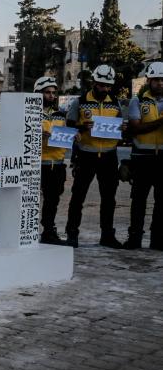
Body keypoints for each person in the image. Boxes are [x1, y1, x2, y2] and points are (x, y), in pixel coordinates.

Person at [65, 64, 125, 249]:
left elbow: (121, 125)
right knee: (78, 196)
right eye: (101, 85)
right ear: (94, 83)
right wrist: (82, 128)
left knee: (109, 198)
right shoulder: (80, 102)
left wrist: (123, 128)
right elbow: (68, 127)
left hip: (109, 156)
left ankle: (107, 235)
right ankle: (72, 234)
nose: (104, 88)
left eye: (108, 86)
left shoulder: (115, 102)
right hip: (86, 155)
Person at [124, 62, 163, 250]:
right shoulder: (137, 100)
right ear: (149, 81)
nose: (160, 83)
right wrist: (160, 122)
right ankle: (134, 238)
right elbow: (136, 128)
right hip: (142, 158)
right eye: (156, 80)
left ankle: (158, 240)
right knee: (139, 200)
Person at [34, 76, 68, 245]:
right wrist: (37, 135)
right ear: (38, 93)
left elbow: (65, 135)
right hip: (37, 164)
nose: (51, 96)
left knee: (52, 201)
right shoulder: (30, 113)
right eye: (47, 92)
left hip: (58, 164)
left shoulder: (60, 114)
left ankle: (48, 231)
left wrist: (74, 136)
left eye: (53, 93)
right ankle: (27, 231)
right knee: (31, 201)